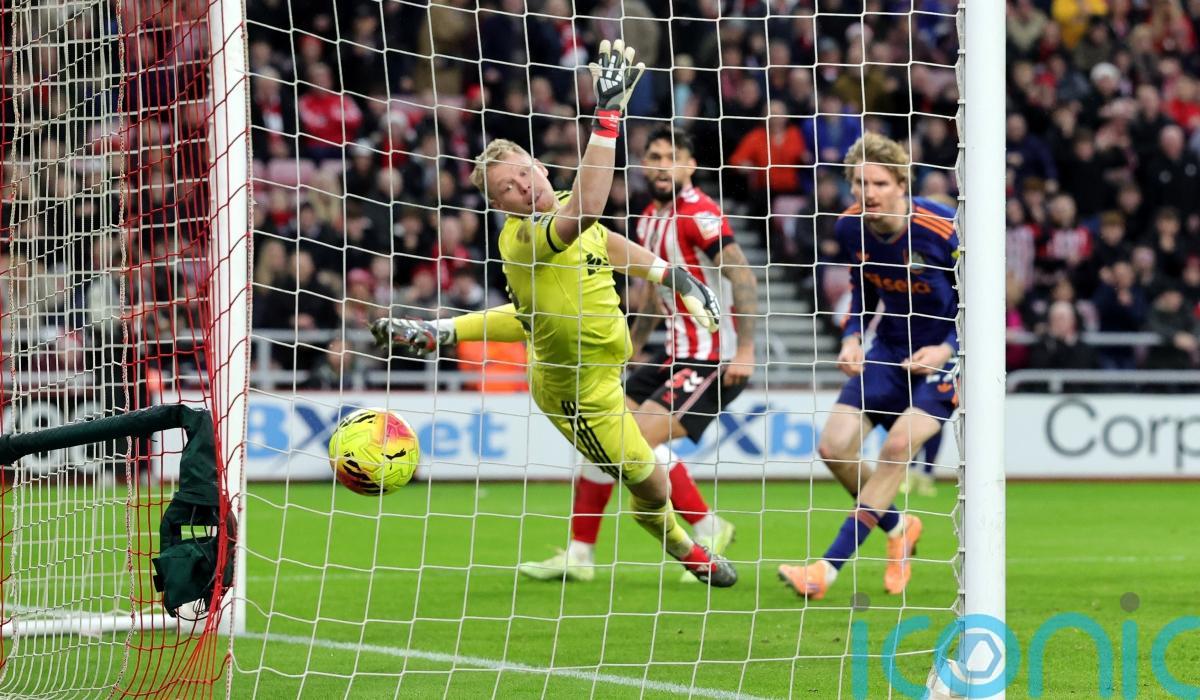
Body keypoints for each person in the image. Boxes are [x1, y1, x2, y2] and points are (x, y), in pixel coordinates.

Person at [371, 41, 736, 586]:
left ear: (540, 167)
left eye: (525, 174)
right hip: (578, 394)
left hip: (608, 370)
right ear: (499, 206)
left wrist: (672, 275)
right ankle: (684, 547)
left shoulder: (563, 204)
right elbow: (587, 212)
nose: (524, 188)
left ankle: (604, 549)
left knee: (646, 460)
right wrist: (606, 117)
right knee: (650, 484)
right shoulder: (524, 238)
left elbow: (602, 241)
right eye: (508, 188)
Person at [516, 126, 759, 583]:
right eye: (654, 156)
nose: (662, 166)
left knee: (632, 443)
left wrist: (745, 348)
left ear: (690, 166)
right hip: (670, 355)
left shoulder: (700, 214)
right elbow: (651, 293)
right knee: (600, 441)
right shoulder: (648, 216)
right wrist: (631, 346)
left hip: (711, 358)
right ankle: (579, 554)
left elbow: (742, 276)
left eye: (672, 157)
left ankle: (707, 527)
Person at [778, 133, 958, 600]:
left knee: (896, 447)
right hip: (890, 349)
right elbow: (863, 290)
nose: (868, 193)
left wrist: (947, 349)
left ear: (902, 184)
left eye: (878, 183)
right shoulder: (849, 227)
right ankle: (898, 525)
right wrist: (852, 336)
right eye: (860, 183)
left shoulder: (943, 230)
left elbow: (980, 301)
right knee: (834, 447)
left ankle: (825, 569)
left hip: (949, 356)